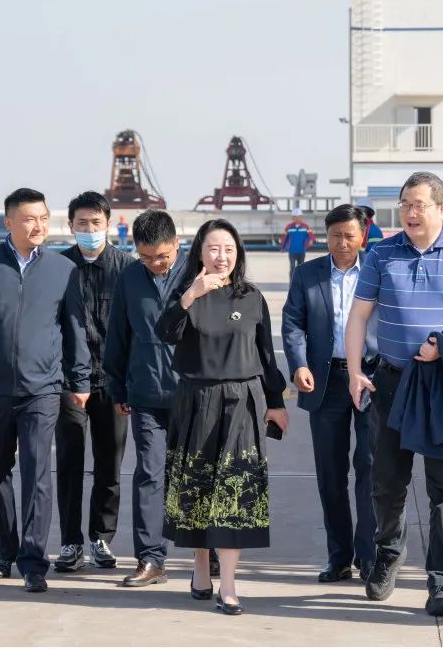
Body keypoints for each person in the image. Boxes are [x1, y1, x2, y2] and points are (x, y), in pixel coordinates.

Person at [346, 171, 443, 618]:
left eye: (419, 205)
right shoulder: (380, 253)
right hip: (391, 383)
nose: (410, 213)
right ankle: (389, 553)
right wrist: (355, 371)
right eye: (405, 204)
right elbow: (359, 316)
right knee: (386, 481)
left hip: (441, 386)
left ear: (442, 209)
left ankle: (442, 580)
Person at [0, 187, 90, 593]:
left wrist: (80, 380)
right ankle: (4, 553)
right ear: (9, 223)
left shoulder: (62, 269)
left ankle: (33, 563)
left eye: (43, 217)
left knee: (37, 474)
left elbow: (74, 330)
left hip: (43, 389)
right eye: (29, 219)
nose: (38, 225)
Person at [157, 218, 289, 615]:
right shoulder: (186, 294)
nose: (222, 256)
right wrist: (189, 296)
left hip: (243, 400)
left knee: (235, 489)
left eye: (229, 249)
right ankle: (201, 566)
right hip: (196, 399)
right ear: (199, 252)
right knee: (197, 489)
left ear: (238, 254)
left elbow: (266, 354)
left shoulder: (252, 297)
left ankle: (228, 584)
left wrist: (276, 401)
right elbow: (165, 333)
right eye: (214, 248)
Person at [282, 204, 378, 584]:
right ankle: (339, 558)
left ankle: (369, 557)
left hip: (370, 380)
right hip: (326, 382)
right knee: (331, 473)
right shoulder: (307, 274)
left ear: (362, 236)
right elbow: (292, 323)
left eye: (349, 235)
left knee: (370, 468)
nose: (341, 243)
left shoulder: (378, 271)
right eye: (335, 235)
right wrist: (299, 364)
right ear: (326, 236)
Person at [104, 210, 189, 588]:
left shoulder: (196, 274)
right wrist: (118, 388)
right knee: (150, 475)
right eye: (146, 257)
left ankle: (209, 554)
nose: (155, 263)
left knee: (195, 474)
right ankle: (151, 559)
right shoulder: (129, 278)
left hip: (193, 395)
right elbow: (118, 337)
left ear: (177, 244)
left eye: (162, 256)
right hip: (145, 394)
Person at [53, 192, 134, 573]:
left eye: (96, 223)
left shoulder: (128, 269)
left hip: (112, 382)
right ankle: (70, 542)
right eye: (82, 223)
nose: (89, 229)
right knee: (69, 461)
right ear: (71, 226)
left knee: (109, 463)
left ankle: (101, 537)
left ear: (108, 224)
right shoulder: (56, 268)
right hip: (68, 382)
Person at [280, 208, 315, 278]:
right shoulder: (289, 227)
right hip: (292, 251)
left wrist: (311, 241)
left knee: (300, 269)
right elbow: (284, 238)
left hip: (301, 251)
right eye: (295, 217)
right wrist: (283, 247)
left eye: (299, 217)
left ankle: (299, 283)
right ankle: (292, 283)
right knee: (292, 268)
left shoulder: (305, 226)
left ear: (301, 217)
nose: (297, 219)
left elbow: (311, 236)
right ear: (293, 218)